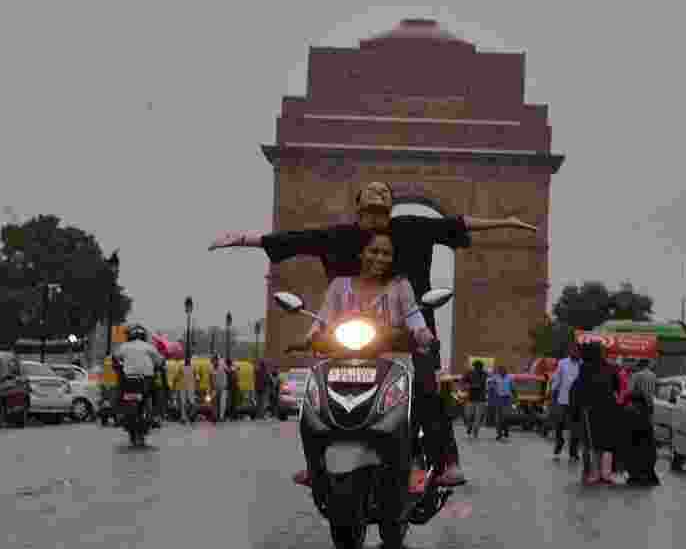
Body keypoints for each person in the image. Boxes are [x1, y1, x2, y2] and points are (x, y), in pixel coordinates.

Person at [210, 180, 544, 487]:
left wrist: (506, 221)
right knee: (321, 389)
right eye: (370, 212)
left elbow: (455, 224)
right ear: (359, 212)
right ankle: (318, 462)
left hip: (411, 333)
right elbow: (298, 240)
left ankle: (446, 461)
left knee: (427, 388)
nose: (376, 221)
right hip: (356, 336)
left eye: (382, 213)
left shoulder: (410, 231)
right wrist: (244, 240)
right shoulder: (341, 241)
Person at [292, 231, 436, 494]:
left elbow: (413, 314)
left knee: (417, 403)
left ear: (393, 259)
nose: (379, 258)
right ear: (361, 253)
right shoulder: (339, 285)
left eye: (386, 253)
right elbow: (324, 316)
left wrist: (422, 332)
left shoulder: (400, 286)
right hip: (344, 361)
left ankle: (414, 460)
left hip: (393, 362)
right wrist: (311, 334)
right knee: (311, 408)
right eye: (373, 251)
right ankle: (315, 465)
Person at [571, 342, 621, 485]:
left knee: (593, 443)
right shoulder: (611, 368)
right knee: (606, 443)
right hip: (608, 408)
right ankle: (606, 474)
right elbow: (616, 387)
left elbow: (579, 388)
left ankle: (595, 473)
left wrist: (578, 406)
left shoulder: (585, 368)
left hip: (591, 409)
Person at [624, 359, 660, 486]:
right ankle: (648, 471)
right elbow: (655, 394)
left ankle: (636, 473)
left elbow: (628, 392)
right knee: (648, 443)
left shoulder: (636, 376)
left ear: (639, 365)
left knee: (635, 443)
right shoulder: (653, 376)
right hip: (649, 413)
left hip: (636, 414)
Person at [548, 344, 582, 461]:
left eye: (577, 351)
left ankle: (573, 452)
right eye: (572, 350)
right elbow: (557, 379)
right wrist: (552, 391)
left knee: (575, 428)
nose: (574, 352)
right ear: (569, 351)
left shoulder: (582, 364)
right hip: (563, 399)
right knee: (559, 424)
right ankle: (559, 442)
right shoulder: (562, 363)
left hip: (577, 401)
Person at [463, 360, 489, 438]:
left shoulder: (484, 374)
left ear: (481, 367)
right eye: (476, 367)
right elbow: (463, 381)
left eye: (479, 367)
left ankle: (475, 431)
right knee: (468, 415)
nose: (477, 368)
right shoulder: (469, 373)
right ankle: (469, 426)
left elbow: (482, 383)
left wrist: (471, 386)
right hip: (471, 398)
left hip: (481, 399)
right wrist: (465, 385)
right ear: (474, 367)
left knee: (478, 417)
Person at [492, 365, 515, 440]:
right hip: (498, 398)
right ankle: (499, 434)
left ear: (505, 371)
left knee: (506, 416)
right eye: (500, 370)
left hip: (507, 398)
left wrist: (515, 397)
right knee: (498, 417)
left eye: (503, 370)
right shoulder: (495, 377)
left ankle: (505, 429)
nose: (501, 371)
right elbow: (492, 386)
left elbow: (513, 387)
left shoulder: (510, 377)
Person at [178, 359, 199, 424]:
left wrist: (196, 384)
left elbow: (197, 377)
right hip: (183, 387)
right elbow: (178, 376)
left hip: (190, 387)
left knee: (192, 402)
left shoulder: (193, 367)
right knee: (183, 403)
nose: (187, 360)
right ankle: (183, 417)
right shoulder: (181, 367)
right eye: (186, 359)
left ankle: (191, 416)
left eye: (188, 359)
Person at [212, 354, 229, 422]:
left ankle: (221, 417)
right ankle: (215, 416)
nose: (214, 362)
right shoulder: (211, 367)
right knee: (215, 402)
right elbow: (211, 377)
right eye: (213, 361)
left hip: (223, 387)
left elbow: (228, 370)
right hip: (216, 387)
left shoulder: (222, 364)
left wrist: (233, 369)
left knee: (222, 402)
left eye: (214, 360)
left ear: (217, 360)